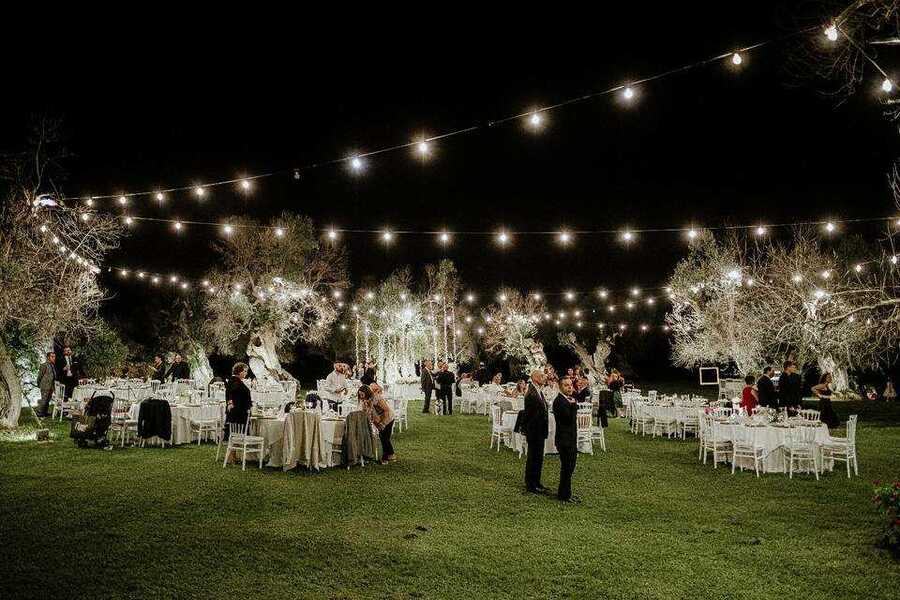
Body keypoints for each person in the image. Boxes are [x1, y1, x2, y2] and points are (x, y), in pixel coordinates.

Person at [522, 369, 549, 494]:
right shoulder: (531, 393)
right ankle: (531, 484)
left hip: (539, 430)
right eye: (542, 376)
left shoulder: (538, 391)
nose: (545, 378)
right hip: (534, 431)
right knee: (533, 457)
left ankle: (537, 482)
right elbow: (530, 414)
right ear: (535, 378)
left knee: (538, 457)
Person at [553, 377, 580, 503]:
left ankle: (566, 492)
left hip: (570, 438)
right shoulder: (559, 401)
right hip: (564, 440)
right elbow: (568, 419)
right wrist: (574, 406)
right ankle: (564, 494)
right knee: (567, 467)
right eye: (566, 385)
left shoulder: (568, 400)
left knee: (570, 467)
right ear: (560, 387)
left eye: (570, 385)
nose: (569, 387)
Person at [224, 362, 252, 456]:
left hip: (237, 414)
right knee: (237, 432)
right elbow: (231, 393)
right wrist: (230, 402)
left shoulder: (234, 380)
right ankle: (232, 455)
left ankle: (233, 455)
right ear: (239, 371)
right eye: (245, 371)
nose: (246, 373)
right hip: (238, 415)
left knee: (236, 433)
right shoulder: (235, 382)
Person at [367, 383, 396, 463]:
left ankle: (385, 458)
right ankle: (391, 455)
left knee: (384, 438)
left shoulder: (378, 398)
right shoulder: (371, 399)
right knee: (384, 437)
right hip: (382, 418)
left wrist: (383, 423)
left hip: (388, 418)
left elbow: (386, 410)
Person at [36, 351, 56, 417]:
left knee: (48, 399)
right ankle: (39, 413)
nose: (54, 358)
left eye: (54, 357)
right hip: (45, 385)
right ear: (48, 357)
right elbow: (40, 376)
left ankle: (45, 412)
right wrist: (39, 384)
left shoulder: (52, 365)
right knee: (44, 399)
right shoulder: (44, 365)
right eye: (52, 357)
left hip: (51, 386)